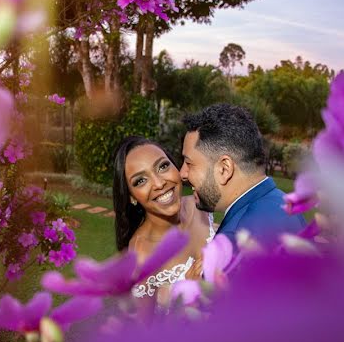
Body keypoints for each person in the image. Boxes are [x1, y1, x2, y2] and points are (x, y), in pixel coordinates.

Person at [180, 104, 305, 249]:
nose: (182, 173)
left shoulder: (234, 241)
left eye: (189, 163)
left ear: (224, 169)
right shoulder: (284, 205)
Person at [112, 135, 213, 301]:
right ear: (132, 197)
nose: (159, 184)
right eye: (141, 181)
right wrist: (191, 293)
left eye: (163, 166)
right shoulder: (141, 257)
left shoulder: (199, 206)